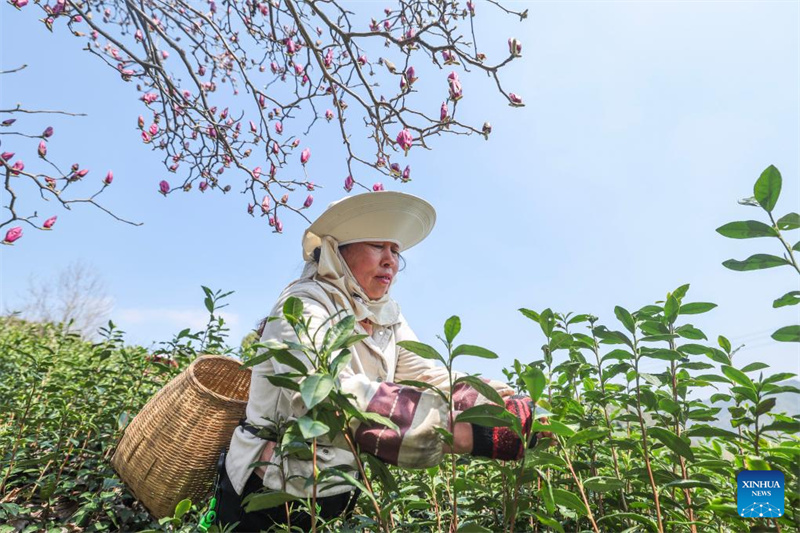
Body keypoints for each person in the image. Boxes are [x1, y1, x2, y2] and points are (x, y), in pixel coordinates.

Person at [218, 191, 541, 531]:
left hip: (337, 487)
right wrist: (464, 432)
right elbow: (321, 396)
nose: (391, 261)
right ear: (337, 251)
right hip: (271, 490)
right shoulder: (301, 304)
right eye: (377, 246)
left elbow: (426, 374)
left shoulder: (388, 317)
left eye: (396, 251)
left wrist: (499, 403)